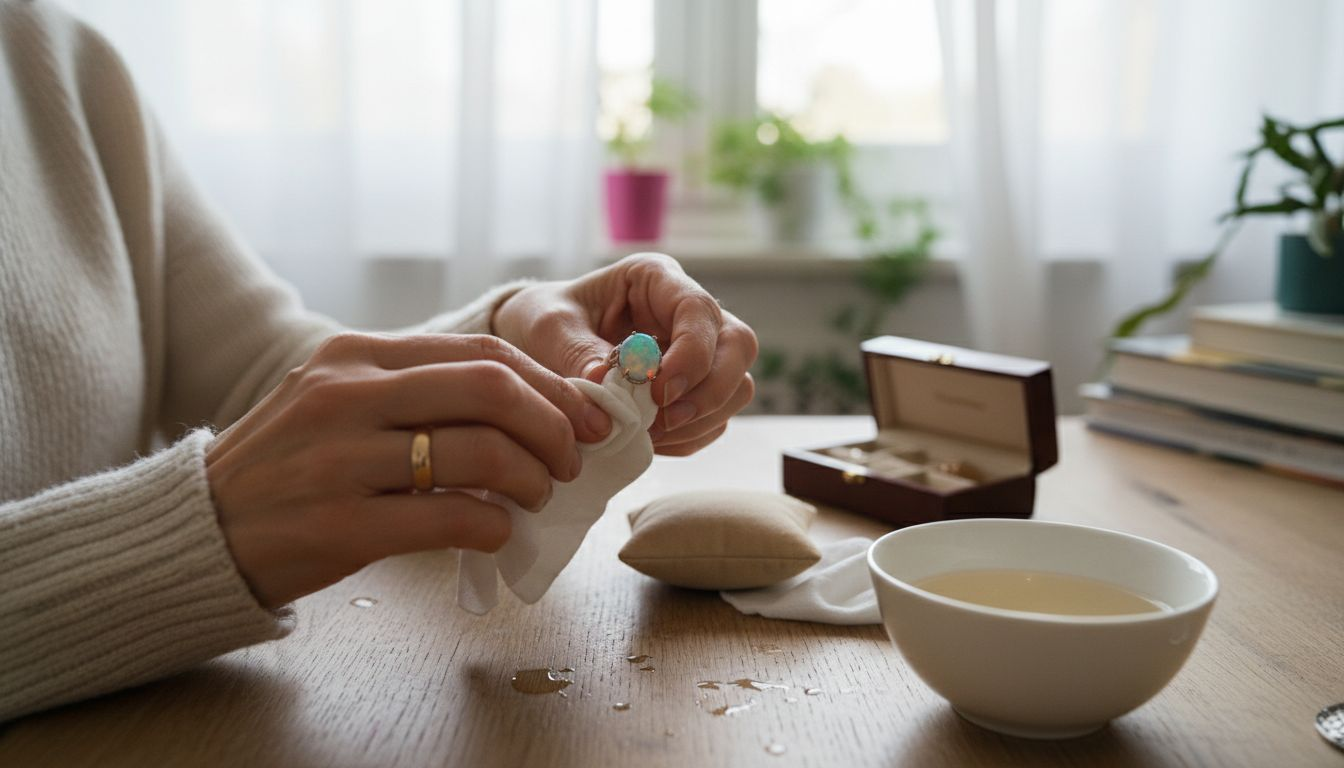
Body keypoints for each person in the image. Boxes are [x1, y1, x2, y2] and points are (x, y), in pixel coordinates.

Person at [0, 1, 757, 722]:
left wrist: (505, 338)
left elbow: (266, 375)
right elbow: (268, 449)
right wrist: (192, 535)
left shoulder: (56, 61)